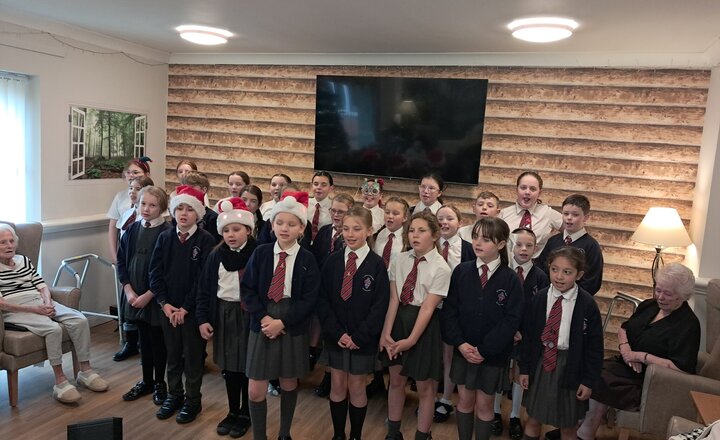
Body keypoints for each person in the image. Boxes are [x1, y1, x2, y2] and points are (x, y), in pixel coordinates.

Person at [576, 263, 701, 440]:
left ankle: (584, 432)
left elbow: (682, 368)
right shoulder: (649, 305)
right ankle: (577, 426)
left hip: (649, 380)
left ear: (683, 296)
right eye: (658, 290)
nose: (660, 297)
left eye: (668, 293)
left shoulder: (688, 325)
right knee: (589, 370)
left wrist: (641, 357)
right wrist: (626, 349)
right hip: (623, 365)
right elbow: (624, 329)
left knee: (600, 379)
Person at [241, 193, 320, 440]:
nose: (285, 228)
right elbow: (248, 289)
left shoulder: (307, 259)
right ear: (272, 225)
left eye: (292, 224)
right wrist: (265, 319)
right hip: (262, 322)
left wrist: (282, 322)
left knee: (288, 383)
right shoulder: (261, 253)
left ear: (301, 229)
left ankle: (284, 433)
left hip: (291, 324)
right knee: (256, 389)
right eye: (280, 223)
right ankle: (260, 437)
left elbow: (309, 299)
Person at [0, 224, 108, 403]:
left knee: (79, 320)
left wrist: (48, 303)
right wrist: (36, 310)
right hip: (16, 309)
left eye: (11, 241)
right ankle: (60, 381)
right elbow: (3, 303)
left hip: (39, 301)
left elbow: (42, 286)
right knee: (53, 329)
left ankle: (85, 371)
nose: (9, 245)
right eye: (3, 242)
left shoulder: (23, 260)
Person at [441, 217, 524, 440]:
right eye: (475, 237)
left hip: (492, 355)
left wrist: (484, 350)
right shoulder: (461, 271)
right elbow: (450, 311)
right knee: (465, 401)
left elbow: (511, 321)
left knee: (485, 405)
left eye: (486, 239)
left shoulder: (510, 279)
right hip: (464, 350)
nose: (478, 243)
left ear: (500, 244)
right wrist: (461, 344)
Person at [317, 206, 390, 440]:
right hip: (336, 336)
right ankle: (338, 435)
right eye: (346, 228)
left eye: (357, 229)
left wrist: (360, 336)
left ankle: (355, 436)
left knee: (357, 386)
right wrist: (337, 332)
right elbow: (323, 299)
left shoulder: (377, 265)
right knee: (338, 385)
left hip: (362, 339)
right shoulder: (332, 261)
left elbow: (380, 306)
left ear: (369, 230)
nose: (350, 234)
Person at [519, 247, 604, 440]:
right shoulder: (539, 298)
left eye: (567, 272)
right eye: (555, 269)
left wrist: (589, 380)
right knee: (533, 419)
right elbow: (529, 338)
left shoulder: (587, 304)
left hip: (570, 368)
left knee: (568, 425)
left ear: (579, 274)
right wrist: (524, 369)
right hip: (541, 364)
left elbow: (594, 348)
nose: (559, 277)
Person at [380, 211, 452, 440]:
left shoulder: (441, 267)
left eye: (421, 231)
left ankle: (423, 434)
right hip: (398, 322)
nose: (415, 235)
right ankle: (393, 431)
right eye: (411, 230)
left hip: (423, 328)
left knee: (425, 387)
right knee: (396, 380)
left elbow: (428, 308)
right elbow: (393, 299)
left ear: (434, 235)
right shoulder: (399, 259)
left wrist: (411, 340)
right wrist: (386, 333)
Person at [150, 185, 216, 424]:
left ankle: (192, 399)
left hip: (192, 311)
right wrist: (165, 303)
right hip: (169, 309)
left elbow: (202, 280)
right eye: (179, 208)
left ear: (198, 214)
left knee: (193, 356)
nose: (184, 213)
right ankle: (174, 394)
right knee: (173, 354)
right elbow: (155, 272)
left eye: (189, 209)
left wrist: (185, 308)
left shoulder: (206, 240)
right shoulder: (165, 236)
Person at [196, 198, 258, 438]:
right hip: (223, 313)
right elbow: (204, 289)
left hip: (248, 315)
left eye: (236, 229)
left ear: (248, 230)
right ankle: (233, 410)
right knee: (230, 367)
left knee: (246, 366)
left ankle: (247, 412)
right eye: (226, 230)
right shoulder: (216, 255)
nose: (231, 235)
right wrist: (203, 319)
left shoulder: (257, 254)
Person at [116, 186, 172, 405]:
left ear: (162, 207)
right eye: (143, 204)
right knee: (143, 340)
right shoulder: (132, 229)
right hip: (134, 294)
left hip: (154, 298)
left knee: (158, 341)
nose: (146, 209)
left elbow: (167, 270)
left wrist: (149, 295)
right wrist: (129, 290)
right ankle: (146, 381)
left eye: (152, 205)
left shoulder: (167, 233)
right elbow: (122, 262)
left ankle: (160, 383)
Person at [492, 228, 549, 439]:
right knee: (499, 371)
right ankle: (496, 413)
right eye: (519, 244)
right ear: (510, 246)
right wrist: (508, 329)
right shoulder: (501, 271)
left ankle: (515, 415)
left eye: (529, 246)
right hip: (502, 332)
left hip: (526, 335)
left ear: (536, 249)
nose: (523, 249)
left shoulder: (541, 277)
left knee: (518, 373)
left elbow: (540, 310)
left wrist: (524, 332)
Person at [311, 192, 356, 397]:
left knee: (336, 333)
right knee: (325, 332)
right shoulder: (324, 232)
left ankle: (334, 378)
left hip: (343, 292)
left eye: (342, 211)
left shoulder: (350, 237)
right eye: (334, 211)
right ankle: (326, 374)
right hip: (323, 289)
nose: (336, 215)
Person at [107, 156, 151, 362]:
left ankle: (145, 343)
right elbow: (116, 230)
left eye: (137, 187)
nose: (132, 192)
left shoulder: (148, 213)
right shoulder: (127, 213)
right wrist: (116, 256)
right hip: (127, 261)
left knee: (142, 301)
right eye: (131, 186)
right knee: (127, 301)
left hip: (143, 262)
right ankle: (130, 342)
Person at [434, 205, 475, 424]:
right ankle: (428, 396)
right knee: (432, 354)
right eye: (440, 218)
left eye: (450, 218)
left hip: (455, 309)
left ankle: (446, 399)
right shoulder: (429, 245)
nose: (444, 222)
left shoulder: (468, 249)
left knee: (449, 354)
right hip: (431, 308)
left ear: (459, 221)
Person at [367, 196, 410, 397]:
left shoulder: (407, 240)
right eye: (387, 212)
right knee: (376, 334)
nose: (390, 216)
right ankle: (376, 378)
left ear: (405, 217)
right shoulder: (378, 235)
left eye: (396, 213)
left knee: (390, 334)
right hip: (376, 293)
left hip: (397, 295)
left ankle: (394, 381)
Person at [536, 194, 604, 296]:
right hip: (550, 296)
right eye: (566, 214)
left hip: (576, 300)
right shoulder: (553, 241)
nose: (569, 218)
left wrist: (571, 295)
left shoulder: (591, 246)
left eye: (575, 215)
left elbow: (593, 280)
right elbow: (541, 268)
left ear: (585, 217)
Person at [499, 171, 562, 257]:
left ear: (539, 193)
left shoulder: (548, 213)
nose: (527, 192)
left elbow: (571, 231)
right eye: (523, 187)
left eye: (532, 189)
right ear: (516, 190)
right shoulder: (504, 214)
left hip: (537, 266)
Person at [182, 172, 222, 243]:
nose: (187, 191)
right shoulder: (180, 214)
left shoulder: (212, 217)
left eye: (191, 187)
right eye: (185, 187)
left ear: (204, 190)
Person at [307, 171, 335, 242]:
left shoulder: (334, 207)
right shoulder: (304, 203)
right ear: (311, 185)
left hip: (325, 244)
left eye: (324, 185)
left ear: (331, 188)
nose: (319, 187)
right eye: (316, 184)